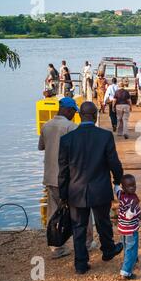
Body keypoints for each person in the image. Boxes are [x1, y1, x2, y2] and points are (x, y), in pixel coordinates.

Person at [58, 102, 124, 274]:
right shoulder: (105, 136)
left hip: (76, 190)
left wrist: (63, 194)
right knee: (103, 221)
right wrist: (118, 180)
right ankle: (108, 250)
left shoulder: (66, 140)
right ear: (95, 116)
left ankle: (81, 264)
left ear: (80, 115)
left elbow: (63, 171)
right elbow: (114, 163)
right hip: (100, 188)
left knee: (78, 227)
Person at [38, 98, 96, 259]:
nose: (74, 115)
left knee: (53, 212)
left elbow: (41, 146)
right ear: (68, 110)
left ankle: (56, 248)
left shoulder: (46, 125)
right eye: (73, 112)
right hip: (70, 178)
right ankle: (87, 243)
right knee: (82, 210)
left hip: (50, 177)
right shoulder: (71, 127)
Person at [115, 174, 141, 280]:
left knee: (127, 247)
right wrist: (133, 206)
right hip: (131, 229)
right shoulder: (133, 200)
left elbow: (116, 189)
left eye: (134, 185)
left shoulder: (121, 194)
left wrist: (116, 183)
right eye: (130, 186)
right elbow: (129, 216)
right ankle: (126, 272)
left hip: (122, 228)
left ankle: (132, 260)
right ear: (124, 187)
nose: (133, 187)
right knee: (131, 248)